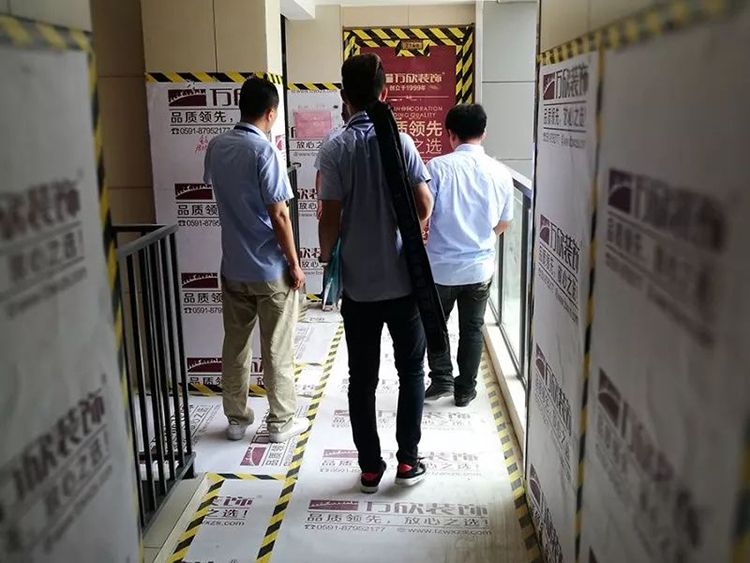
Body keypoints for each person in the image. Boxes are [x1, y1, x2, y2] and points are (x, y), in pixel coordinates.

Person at [318, 53, 434, 493]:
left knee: (362, 380)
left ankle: (369, 468)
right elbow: (424, 204)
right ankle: (408, 461)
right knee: (411, 372)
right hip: (404, 282)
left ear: (343, 96)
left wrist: (327, 259)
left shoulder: (334, 149)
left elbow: (330, 218)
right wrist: (404, 228)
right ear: (384, 92)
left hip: (359, 288)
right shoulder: (401, 142)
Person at [203, 77, 309, 443]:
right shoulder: (264, 152)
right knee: (276, 347)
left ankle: (236, 419)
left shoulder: (217, 146)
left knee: (235, 345)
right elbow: (279, 214)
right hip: (269, 268)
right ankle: (280, 422)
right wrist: (294, 263)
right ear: (271, 113)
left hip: (233, 265)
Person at [423, 103, 513, 407]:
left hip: (441, 267)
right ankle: (465, 390)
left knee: (435, 324)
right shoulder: (500, 172)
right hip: (479, 268)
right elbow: (505, 221)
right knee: (472, 329)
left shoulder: (437, 167)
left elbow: (424, 212)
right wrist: (485, 239)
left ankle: (441, 378)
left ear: (450, 134)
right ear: (483, 133)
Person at [314, 95, 352, 220]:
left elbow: (320, 174)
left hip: (337, 205)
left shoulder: (332, 138)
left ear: (342, 115)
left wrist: (321, 202)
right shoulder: (383, 137)